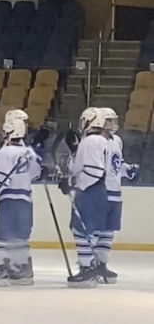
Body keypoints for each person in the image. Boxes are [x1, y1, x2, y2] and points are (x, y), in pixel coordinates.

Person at [0, 118, 42, 286]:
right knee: (20, 236)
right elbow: (36, 174)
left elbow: (1, 177)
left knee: (2, 234)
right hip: (25, 200)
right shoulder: (29, 152)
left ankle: (3, 268)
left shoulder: (4, 152)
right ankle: (23, 270)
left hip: (9, 199)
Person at [59, 107, 109, 288]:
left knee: (81, 229)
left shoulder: (91, 141)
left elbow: (94, 171)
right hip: (99, 191)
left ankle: (87, 269)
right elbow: (79, 166)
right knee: (90, 230)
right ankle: (92, 267)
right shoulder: (99, 141)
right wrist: (74, 150)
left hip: (90, 191)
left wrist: (71, 181)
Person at [97, 107, 139, 283]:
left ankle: (102, 264)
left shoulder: (117, 141)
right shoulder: (95, 142)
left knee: (108, 231)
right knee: (96, 229)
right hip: (101, 191)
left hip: (116, 192)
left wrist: (127, 170)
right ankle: (90, 264)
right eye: (109, 120)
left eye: (114, 120)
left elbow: (116, 164)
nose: (113, 124)